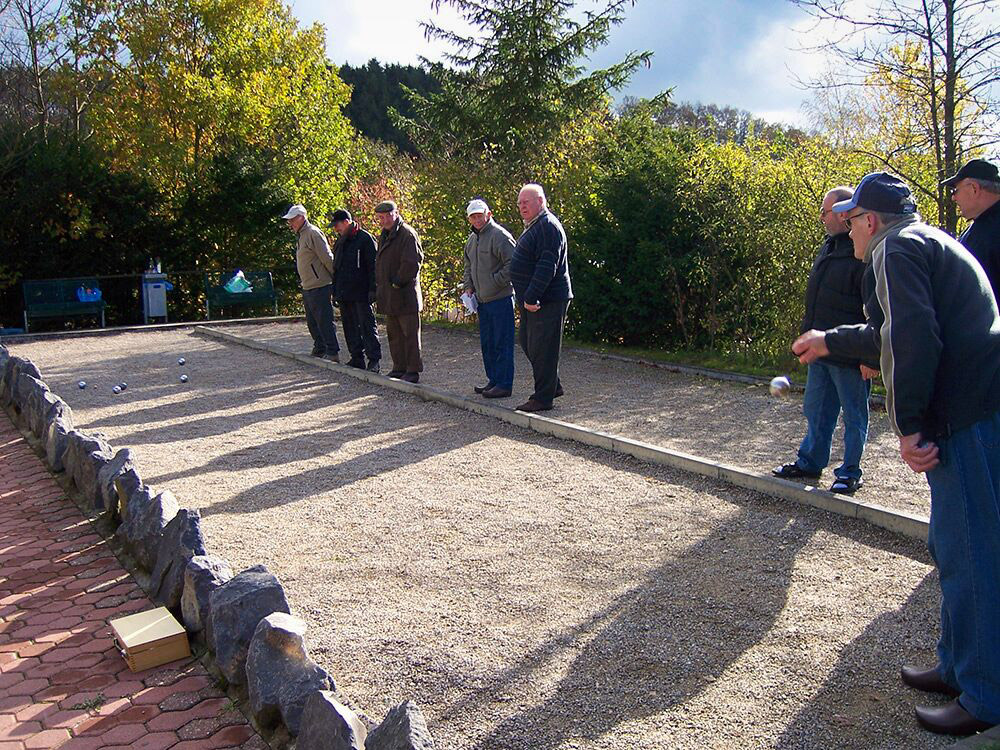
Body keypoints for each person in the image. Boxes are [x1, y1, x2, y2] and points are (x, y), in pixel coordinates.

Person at [793, 171, 1000, 737]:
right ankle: (958, 668)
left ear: (869, 220)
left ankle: (986, 696)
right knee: (953, 544)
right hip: (975, 409)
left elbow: (913, 338)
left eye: (851, 220)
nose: (847, 230)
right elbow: (892, 332)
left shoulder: (893, 249)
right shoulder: (920, 241)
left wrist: (908, 426)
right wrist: (831, 339)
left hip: (967, 416)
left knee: (972, 551)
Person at [772, 187, 872, 495]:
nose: (821, 217)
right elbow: (817, 299)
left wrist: (871, 356)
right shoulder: (828, 247)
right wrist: (806, 337)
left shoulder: (863, 251)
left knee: (854, 416)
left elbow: (875, 308)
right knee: (816, 410)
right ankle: (810, 462)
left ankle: (850, 472)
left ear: (843, 214)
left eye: (825, 211)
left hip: (851, 353)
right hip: (820, 350)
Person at [509, 184, 573, 412]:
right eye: (519, 203)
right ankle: (552, 385)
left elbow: (547, 266)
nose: (522, 206)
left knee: (543, 347)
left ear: (541, 201)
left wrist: (532, 296)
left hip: (547, 299)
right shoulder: (535, 225)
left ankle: (543, 398)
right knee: (529, 343)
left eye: (526, 202)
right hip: (533, 299)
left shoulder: (547, 226)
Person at [462, 199, 516, 398]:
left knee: (502, 343)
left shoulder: (500, 235)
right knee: (488, 343)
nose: (477, 219)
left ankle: (504, 384)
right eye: (473, 217)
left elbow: (513, 264)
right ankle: (493, 380)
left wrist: (494, 282)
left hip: (501, 299)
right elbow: (468, 266)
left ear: (488, 214)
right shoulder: (471, 240)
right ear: (469, 219)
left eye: (479, 215)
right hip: (482, 301)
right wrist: (468, 287)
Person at [283, 203, 340, 362]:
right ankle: (320, 348)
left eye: (293, 219)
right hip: (308, 285)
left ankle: (332, 351)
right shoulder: (301, 235)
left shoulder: (313, 233)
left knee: (324, 320)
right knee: (312, 321)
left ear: (302, 218)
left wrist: (336, 279)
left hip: (320, 284)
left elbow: (327, 258)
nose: (290, 223)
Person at [374, 200, 423, 383]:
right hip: (390, 295)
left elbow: (412, 262)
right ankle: (399, 367)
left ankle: (412, 370)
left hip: (404, 294)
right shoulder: (384, 235)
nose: (385, 220)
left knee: (410, 335)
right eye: (381, 217)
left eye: (388, 216)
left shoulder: (407, 234)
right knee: (394, 334)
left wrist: (397, 282)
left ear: (396, 213)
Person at [331, 209, 381, 373]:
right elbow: (336, 268)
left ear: (346, 222)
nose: (335, 229)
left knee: (367, 326)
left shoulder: (365, 239)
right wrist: (335, 290)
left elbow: (373, 266)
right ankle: (356, 357)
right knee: (349, 326)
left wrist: (373, 289)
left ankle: (374, 360)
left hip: (361, 291)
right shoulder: (340, 242)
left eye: (337, 225)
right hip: (344, 291)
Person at [941, 158, 1000, 296]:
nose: (953, 198)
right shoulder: (980, 225)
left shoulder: (993, 228)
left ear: (974, 188)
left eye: (955, 190)